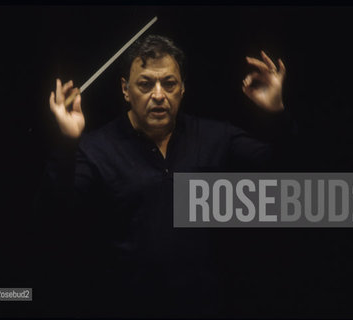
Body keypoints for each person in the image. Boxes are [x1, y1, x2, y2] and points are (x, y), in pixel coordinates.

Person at [36, 34, 290, 317]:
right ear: (125, 90)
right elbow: (57, 212)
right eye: (145, 84)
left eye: (169, 84)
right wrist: (68, 142)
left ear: (182, 89)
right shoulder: (96, 149)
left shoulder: (214, 137)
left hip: (206, 306)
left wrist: (275, 113)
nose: (158, 94)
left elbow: (282, 176)